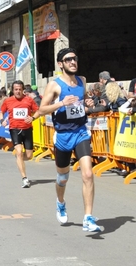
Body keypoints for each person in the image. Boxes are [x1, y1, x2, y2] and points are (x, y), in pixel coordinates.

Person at [39, 47, 101, 232]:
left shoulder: (82, 80)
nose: (73, 62)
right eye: (68, 60)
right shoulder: (54, 85)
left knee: (88, 175)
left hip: (81, 132)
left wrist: (89, 102)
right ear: (61, 64)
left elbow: (84, 100)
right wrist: (61, 103)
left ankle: (88, 218)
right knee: (63, 177)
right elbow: (41, 109)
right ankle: (60, 202)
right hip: (63, 136)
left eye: (75, 59)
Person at [0, 80, 40, 188]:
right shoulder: (8, 101)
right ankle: (24, 178)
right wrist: (2, 120)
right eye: (16, 89)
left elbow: (38, 111)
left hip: (27, 129)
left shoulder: (29, 100)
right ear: (13, 90)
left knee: (29, 156)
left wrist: (32, 117)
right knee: (18, 151)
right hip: (15, 129)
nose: (18, 91)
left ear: (23, 90)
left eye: (20, 89)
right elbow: (1, 112)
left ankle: (19, 159)